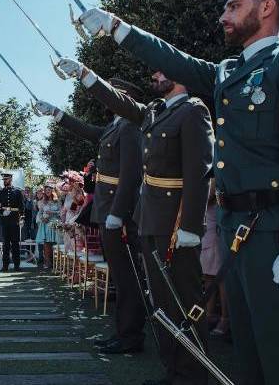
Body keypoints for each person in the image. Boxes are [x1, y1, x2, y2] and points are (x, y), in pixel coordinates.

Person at [79, 0, 279, 384]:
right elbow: (172, 59)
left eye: (234, 6)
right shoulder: (228, 72)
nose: (223, 16)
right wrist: (117, 28)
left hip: (273, 230)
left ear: (267, 7)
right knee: (250, 352)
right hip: (237, 229)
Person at [55, 58, 213, 385]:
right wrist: (86, 76)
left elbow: (199, 174)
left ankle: (192, 376)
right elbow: (120, 102)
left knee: (181, 300)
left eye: (161, 69)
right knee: (162, 302)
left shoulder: (194, 111)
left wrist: (191, 227)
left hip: (174, 223)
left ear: (182, 76)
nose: (154, 74)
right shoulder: (157, 112)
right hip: (150, 219)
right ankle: (175, 372)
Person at [34, 80, 145, 354]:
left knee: (128, 278)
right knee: (120, 278)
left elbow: (131, 175)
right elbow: (86, 130)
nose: (107, 100)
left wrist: (118, 214)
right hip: (108, 212)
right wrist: (56, 113)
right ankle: (123, 332)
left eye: (114, 93)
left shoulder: (130, 125)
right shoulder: (115, 126)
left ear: (126, 97)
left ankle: (131, 336)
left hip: (120, 214)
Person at [201, 180, 229, 338]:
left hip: (216, 228)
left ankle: (225, 318)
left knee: (221, 278)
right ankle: (209, 314)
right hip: (209, 228)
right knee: (208, 276)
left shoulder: (215, 174)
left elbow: (208, 196)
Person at [0, 172, 25, 271]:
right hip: (4, 220)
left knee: (15, 243)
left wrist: (21, 218)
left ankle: (17, 265)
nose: (5, 181)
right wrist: (0, 210)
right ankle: (5, 265)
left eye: (6, 179)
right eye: (4, 180)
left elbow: (21, 206)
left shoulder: (17, 192)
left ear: (11, 179)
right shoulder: (0, 192)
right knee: (5, 244)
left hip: (14, 219)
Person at [35, 185, 61, 270]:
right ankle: (47, 263)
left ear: (52, 191)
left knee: (54, 244)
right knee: (46, 244)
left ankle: (56, 263)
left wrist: (52, 212)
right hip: (45, 224)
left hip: (54, 224)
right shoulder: (43, 202)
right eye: (46, 190)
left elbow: (60, 212)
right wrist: (42, 218)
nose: (47, 191)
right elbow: (40, 213)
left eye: (49, 190)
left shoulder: (57, 201)